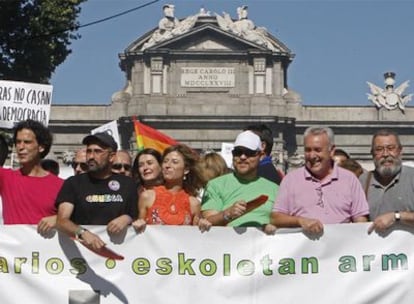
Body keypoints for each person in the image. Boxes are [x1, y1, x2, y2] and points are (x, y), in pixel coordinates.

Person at [271, 126, 369, 235]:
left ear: (331, 151)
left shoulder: (350, 180)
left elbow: (360, 221)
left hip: (340, 248)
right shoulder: (290, 180)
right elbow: (275, 218)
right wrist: (300, 221)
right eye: (308, 150)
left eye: (317, 150)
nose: (312, 156)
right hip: (304, 250)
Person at [56, 132, 138, 250]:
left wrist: (127, 218)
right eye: (89, 151)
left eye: (97, 151)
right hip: (83, 252)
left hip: (120, 252)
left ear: (111, 157)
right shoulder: (73, 183)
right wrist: (82, 232)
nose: (91, 156)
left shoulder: (128, 184)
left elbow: (137, 216)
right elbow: (61, 221)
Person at [200, 131, 278, 233]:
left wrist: (275, 225)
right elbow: (207, 221)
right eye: (238, 152)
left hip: (264, 247)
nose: (242, 157)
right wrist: (227, 214)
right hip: (227, 246)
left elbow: (283, 220)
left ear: (261, 155)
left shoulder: (275, 189)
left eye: (249, 153)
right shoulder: (215, 185)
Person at [0, 120, 64, 234]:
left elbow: (77, 221)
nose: (21, 147)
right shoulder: (5, 178)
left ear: (41, 147)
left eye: (27, 142)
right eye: (18, 142)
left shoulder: (61, 185)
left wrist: (59, 220)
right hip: (12, 251)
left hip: (47, 250)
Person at [132, 144, 203, 232]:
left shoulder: (194, 203)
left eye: (174, 162)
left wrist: (203, 224)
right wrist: (138, 224)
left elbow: (195, 238)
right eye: (165, 161)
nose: (167, 165)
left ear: (186, 169)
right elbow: (139, 233)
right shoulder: (147, 196)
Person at [360, 129, 414, 234]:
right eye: (379, 149)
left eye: (391, 148)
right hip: (376, 248)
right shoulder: (363, 181)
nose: (385, 154)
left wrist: (397, 216)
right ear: (372, 154)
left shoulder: (412, 177)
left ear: (400, 151)